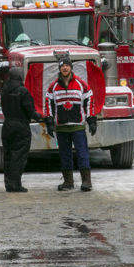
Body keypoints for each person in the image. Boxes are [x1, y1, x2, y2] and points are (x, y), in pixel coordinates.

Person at [44, 57, 97, 192]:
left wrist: (91, 120)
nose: (65, 68)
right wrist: (49, 122)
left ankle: (86, 181)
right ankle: (68, 182)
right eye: (62, 66)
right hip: (61, 127)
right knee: (65, 155)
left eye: (67, 66)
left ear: (71, 68)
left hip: (78, 126)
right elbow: (48, 105)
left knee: (82, 153)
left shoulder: (81, 84)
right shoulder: (53, 87)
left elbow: (89, 102)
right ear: (60, 69)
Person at [0, 67, 42, 192]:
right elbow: (29, 110)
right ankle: (15, 184)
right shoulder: (23, 91)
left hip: (7, 125)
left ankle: (8, 183)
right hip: (21, 126)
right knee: (18, 157)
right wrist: (39, 116)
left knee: (8, 155)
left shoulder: (4, 90)